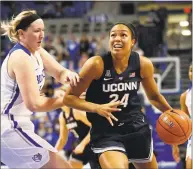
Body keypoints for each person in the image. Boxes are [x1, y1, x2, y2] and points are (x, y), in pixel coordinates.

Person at [1, 10, 120, 169]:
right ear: (21, 34)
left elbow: (59, 72)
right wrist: (68, 100)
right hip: (8, 128)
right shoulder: (20, 57)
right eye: (37, 31)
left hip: (19, 126)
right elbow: (34, 104)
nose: (42, 35)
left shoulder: (37, 52)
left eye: (43, 30)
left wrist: (70, 76)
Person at [63, 22, 175, 169]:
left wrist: (172, 114)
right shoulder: (96, 64)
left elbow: (154, 97)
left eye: (123, 35)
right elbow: (68, 98)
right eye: (113, 35)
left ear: (133, 41)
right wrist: (97, 108)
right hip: (106, 131)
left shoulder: (143, 64)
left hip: (135, 127)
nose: (117, 38)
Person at [172, 64, 192, 169]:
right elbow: (183, 124)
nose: (192, 73)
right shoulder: (185, 96)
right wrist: (175, 144)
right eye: (191, 70)